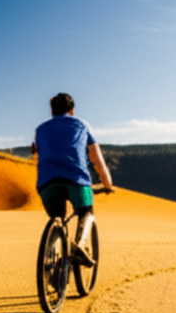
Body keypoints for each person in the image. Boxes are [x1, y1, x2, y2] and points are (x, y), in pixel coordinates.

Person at [31, 92, 114, 266]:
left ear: (52, 110)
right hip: (76, 179)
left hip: (46, 183)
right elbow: (96, 159)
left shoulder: (39, 130)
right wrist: (107, 184)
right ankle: (81, 246)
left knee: (57, 218)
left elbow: (36, 155)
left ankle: (50, 262)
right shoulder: (82, 125)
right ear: (72, 110)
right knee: (86, 212)